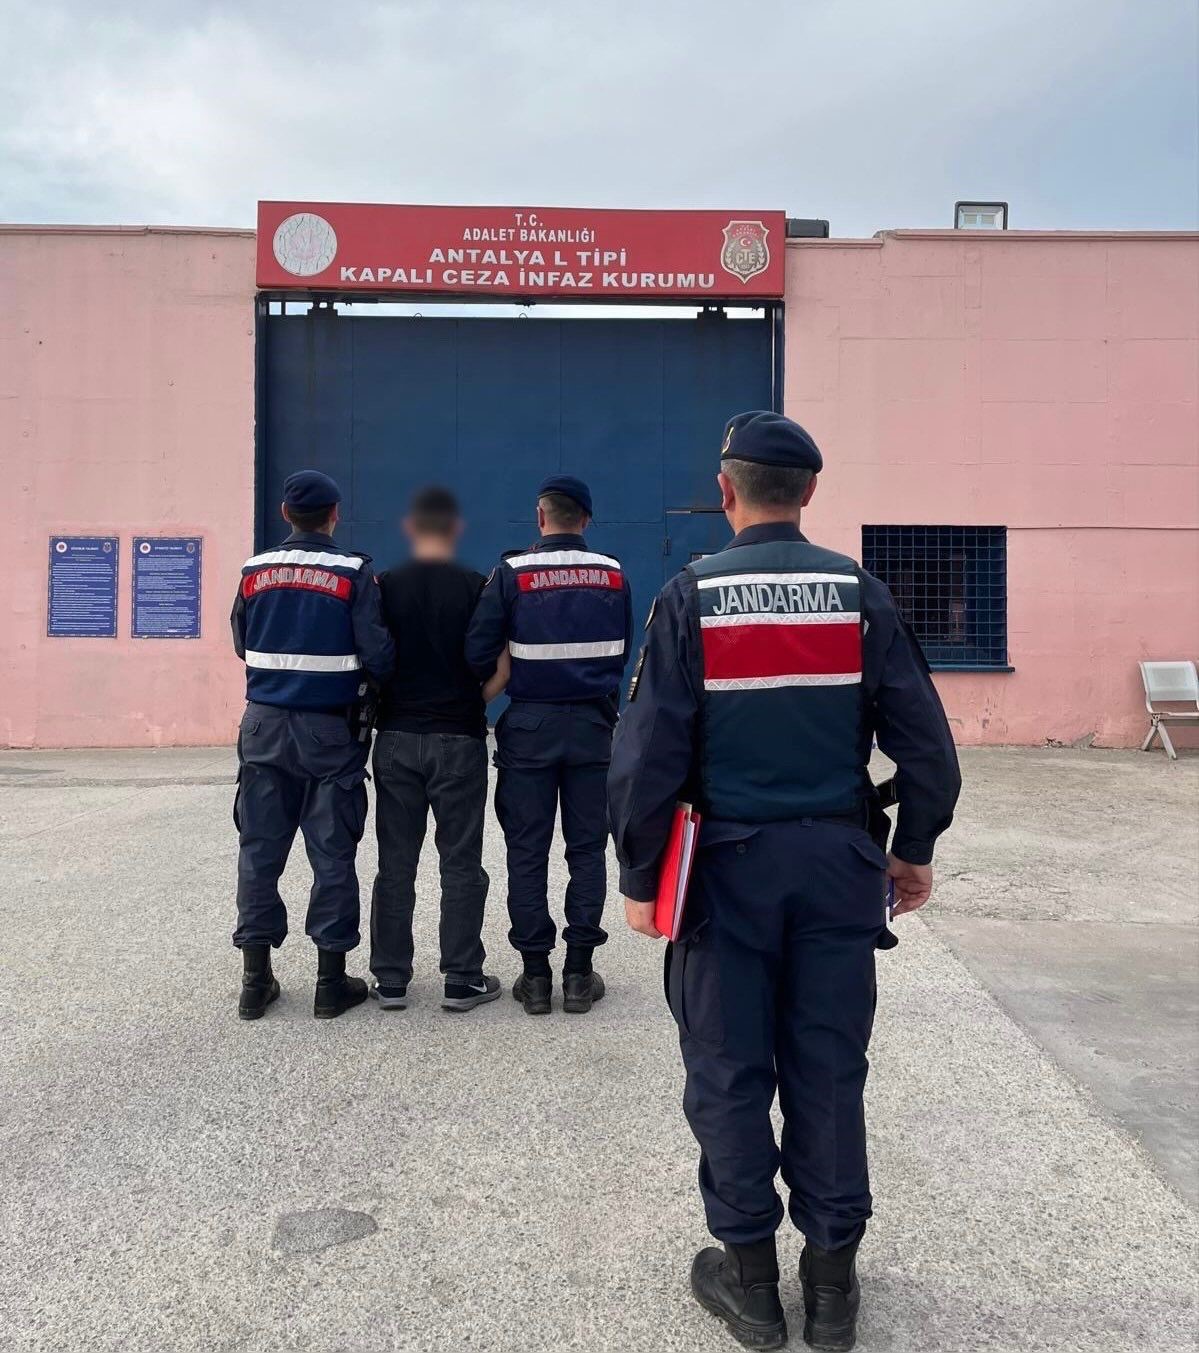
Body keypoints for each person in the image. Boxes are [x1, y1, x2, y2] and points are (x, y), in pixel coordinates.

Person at [608, 412, 961, 1352]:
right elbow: (926, 744)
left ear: (725, 491)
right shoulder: (860, 594)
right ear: (808, 492)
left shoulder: (689, 596)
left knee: (728, 1067)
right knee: (828, 1066)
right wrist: (912, 844)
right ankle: (832, 1290)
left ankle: (752, 1285)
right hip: (838, 869)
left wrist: (640, 873)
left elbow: (646, 754)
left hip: (724, 875)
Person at [465, 475, 633, 1016]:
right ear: (586, 519)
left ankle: (535, 977)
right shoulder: (613, 574)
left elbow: (477, 649)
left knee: (527, 851)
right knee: (587, 850)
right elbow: (622, 652)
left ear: (540, 517)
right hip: (593, 728)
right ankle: (579, 974)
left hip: (530, 729)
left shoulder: (511, 574)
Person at [230, 470, 394, 1021]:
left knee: (259, 852)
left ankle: (255, 982)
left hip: (263, 727)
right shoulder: (352, 573)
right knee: (332, 854)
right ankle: (329, 984)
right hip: (329, 732)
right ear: (335, 515)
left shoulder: (254, 571)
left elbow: (241, 642)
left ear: (284, 514)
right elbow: (378, 654)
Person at [369, 486, 507, 1013]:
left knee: (395, 864)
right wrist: (473, 704)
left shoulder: (385, 586)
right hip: (459, 738)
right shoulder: (476, 587)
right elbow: (500, 667)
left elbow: (372, 657)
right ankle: (462, 978)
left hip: (396, 736)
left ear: (411, 528)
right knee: (461, 862)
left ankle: (391, 981)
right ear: (456, 529)